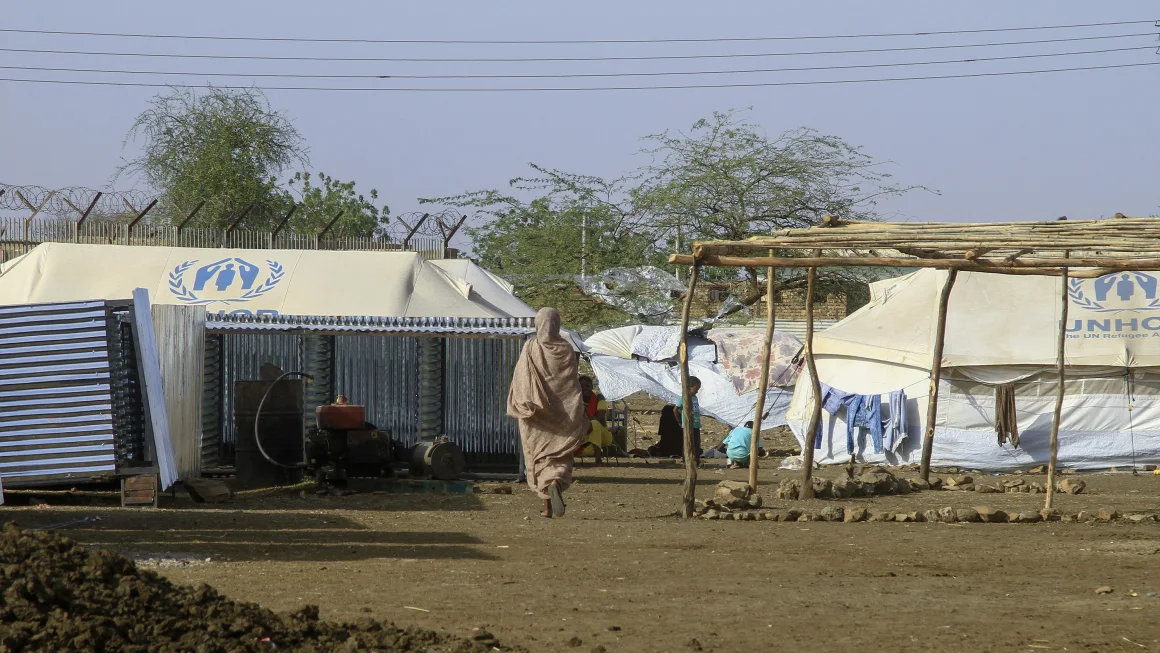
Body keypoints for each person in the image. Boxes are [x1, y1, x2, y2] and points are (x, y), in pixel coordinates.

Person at [507, 307, 591, 518]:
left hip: (536, 414)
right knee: (561, 455)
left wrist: (526, 401)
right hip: (564, 413)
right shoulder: (566, 349)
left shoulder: (531, 347)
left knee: (539, 457)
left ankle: (547, 507)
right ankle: (556, 481)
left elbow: (521, 379)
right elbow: (571, 382)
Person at [576, 375, 614, 463]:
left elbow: (600, 416)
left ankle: (598, 458)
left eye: (587, 386)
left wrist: (586, 425)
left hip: (603, 434)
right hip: (585, 435)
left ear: (592, 387)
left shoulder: (599, 397)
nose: (585, 388)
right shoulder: (575, 400)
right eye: (582, 387)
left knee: (594, 423)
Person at [674, 376, 703, 462]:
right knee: (688, 443)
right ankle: (686, 460)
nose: (697, 391)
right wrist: (680, 421)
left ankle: (696, 460)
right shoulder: (683, 397)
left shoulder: (695, 397)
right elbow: (675, 410)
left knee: (697, 443)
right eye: (696, 389)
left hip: (696, 424)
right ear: (689, 387)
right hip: (688, 425)